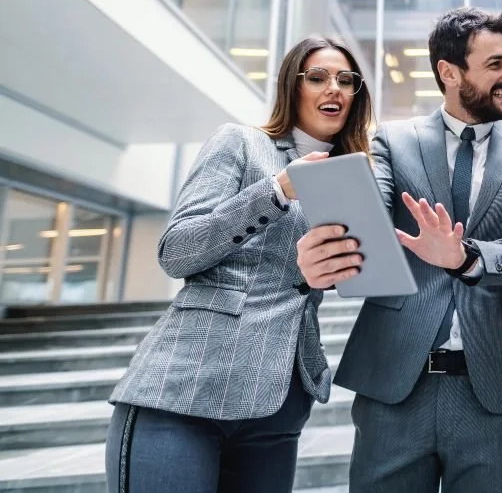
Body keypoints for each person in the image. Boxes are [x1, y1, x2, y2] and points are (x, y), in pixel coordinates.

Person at [296, 8, 502, 493]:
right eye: (497, 63)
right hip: (396, 385)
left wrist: (466, 257)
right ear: (449, 72)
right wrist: (332, 245)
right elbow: (365, 221)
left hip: (496, 389)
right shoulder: (392, 140)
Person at [105, 36, 374, 493]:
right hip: (185, 390)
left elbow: (313, 276)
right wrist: (276, 190)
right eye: (318, 77)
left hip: (277, 405)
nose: (335, 88)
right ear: (292, 85)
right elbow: (176, 251)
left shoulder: (353, 174)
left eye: (346, 80)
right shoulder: (242, 143)